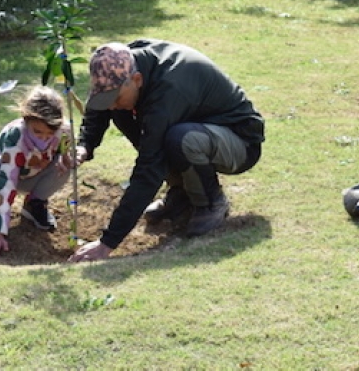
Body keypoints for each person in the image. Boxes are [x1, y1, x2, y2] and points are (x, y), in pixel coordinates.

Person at [67, 39, 265, 263]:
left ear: (137, 80)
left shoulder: (169, 89)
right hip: (196, 128)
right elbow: (100, 107)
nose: (110, 105)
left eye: (115, 98)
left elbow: (149, 168)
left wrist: (107, 243)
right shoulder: (127, 62)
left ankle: (210, 202)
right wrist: (85, 145)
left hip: (240, 142)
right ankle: (181, 193)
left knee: (178, 139)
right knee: (127, 113)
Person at [0, 86, 74, 259]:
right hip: (1, 173)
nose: (44, 137)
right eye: (38, 131)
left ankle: (34, 204)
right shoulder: (16, 137)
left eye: (50, 133)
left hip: (34, 173)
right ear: (26, 120)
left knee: (63, 166)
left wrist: (68, 157)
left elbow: (67, 151)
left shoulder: (64, 131)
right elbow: (6, 182)